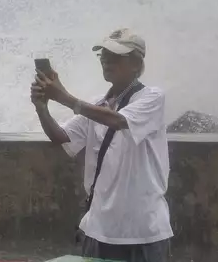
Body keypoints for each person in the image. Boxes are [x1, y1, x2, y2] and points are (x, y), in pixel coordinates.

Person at [30, 28, 172, 262]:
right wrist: (41, 107)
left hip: (145, 232)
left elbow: (117, 120)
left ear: (136, 64)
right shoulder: (98, 104)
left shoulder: (152, 97)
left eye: (115, 57)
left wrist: (64, 97)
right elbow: (62, 137)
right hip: (98, 231)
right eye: (103, 56)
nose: (107, 61)